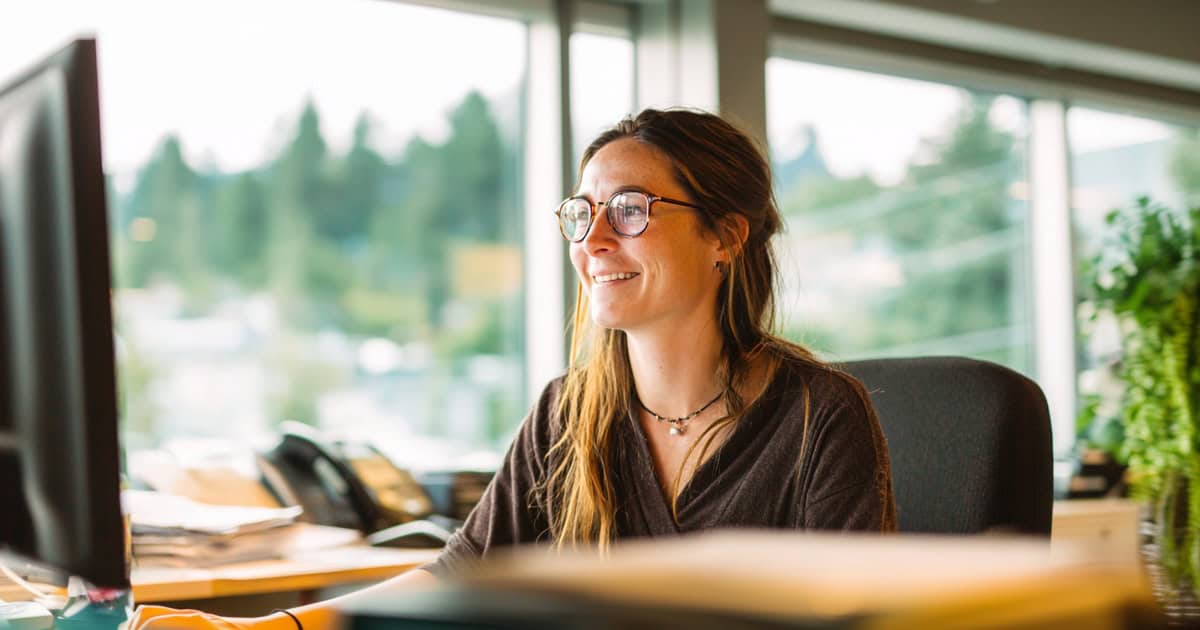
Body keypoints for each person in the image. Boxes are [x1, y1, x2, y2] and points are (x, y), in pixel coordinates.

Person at [128, 108, 897, 630]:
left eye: (630, 209)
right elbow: (457, 573)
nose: (593, 240)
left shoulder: (817, 416)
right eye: (581, 212)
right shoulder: (571, 412)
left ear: (724, 236)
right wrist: (275, 629)